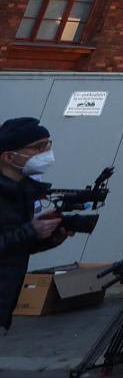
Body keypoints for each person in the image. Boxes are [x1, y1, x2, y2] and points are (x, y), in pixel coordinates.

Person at [1, 118, 65, 333]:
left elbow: (14, 247)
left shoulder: (22, 192)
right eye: (39, 147)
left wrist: (48, 237)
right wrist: (31, 230)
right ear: (9, 156)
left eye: (49, 144)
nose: (47, 152)